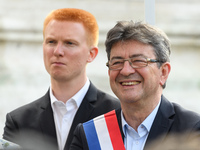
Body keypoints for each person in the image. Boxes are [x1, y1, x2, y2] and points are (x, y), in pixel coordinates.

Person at [69, 21, 200, 150]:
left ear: (163, 72)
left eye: (138, 61)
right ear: (109, 72)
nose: (125, 71)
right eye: (117, 62)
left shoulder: (191, 131)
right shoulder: (89, 135)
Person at [2, 8, 120, 150]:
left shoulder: (117, 113)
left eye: (69, 43)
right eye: (51, 41)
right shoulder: (19, 121)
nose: (57, 51)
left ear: (91, 54)